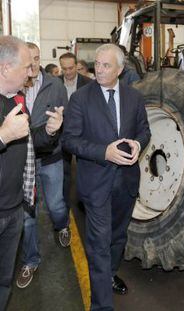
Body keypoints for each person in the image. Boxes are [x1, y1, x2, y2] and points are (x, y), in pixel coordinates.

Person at [62, 43, 150, 311]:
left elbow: (144, 130)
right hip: (96, 183)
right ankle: (101, 306)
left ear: (120, 70)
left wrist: (138, 143)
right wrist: (104, 152)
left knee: (117, 236)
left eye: (106, 65)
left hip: (126, 182)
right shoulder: (81, 98)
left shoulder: (135, 97)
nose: (98, 69)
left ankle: (109, 274)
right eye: (97, 64)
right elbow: (69, 141)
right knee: (98, 244)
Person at [0, 35, 63, 311]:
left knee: (3, 281)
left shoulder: (16, 99)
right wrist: (2, 136)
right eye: (26, 66)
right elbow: (8, 138)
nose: (31, 71)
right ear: (5, 68)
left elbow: (26, 143)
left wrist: (49, 132)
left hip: (14, 208)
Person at [15, 42, 70, 289]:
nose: (34, 63)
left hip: (50, 158)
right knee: (28, 214)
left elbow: (62, 118)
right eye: (29, 59)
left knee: (56, 204)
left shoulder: (55, 85)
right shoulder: (14, 86)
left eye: (37, 58)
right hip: (22, 160)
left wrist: (55, 133)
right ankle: (31, 260)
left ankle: (62, 225)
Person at [59, 52, 92, 207]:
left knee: (85, 170)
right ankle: (65, 204)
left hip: (83, 134)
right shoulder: (55, 83)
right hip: (61, 134)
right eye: (64, 68)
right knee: (64, 172)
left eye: (71, 68)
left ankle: (83, 202)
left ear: (76, 65)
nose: (68, 72)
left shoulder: (88, 83)